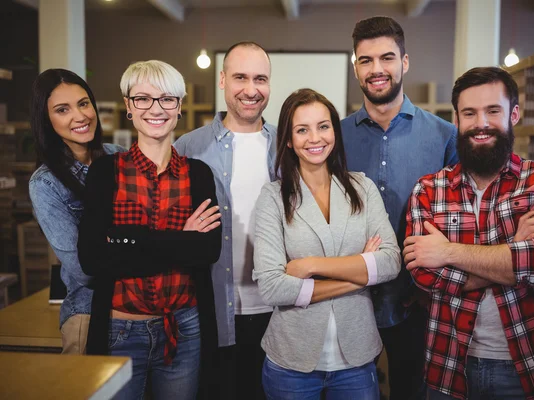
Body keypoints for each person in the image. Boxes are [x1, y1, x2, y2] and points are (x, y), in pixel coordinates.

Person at [403, 66, 534, 400]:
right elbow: (425, 276)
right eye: (470, 113)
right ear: (457, 119)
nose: (481, 123)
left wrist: (449, 252)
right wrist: (515, 249)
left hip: (531, 364)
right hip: (450, 364)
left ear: (514, 114)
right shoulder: (429, 189)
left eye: (492, 111)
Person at [77, 60, 222, 400]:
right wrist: (181, 239)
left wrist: (130, 242)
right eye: (143, 98)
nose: (155, 109)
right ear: (128, 106)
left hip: (184, 328)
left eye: (167, 99)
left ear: (179, 107)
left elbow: (207, 252)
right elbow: (94, 259)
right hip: (119, 331)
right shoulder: (105, 172)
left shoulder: (198, 175)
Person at [253, 88, 401, 399]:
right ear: (289, 140)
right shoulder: (273, 198)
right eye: (302, 130)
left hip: (357, 359)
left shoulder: (363, 187)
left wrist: (310, 266)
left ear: (334, 129)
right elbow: (272, 286)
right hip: (291, 361)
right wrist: (359, 275)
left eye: (323, 126)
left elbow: (390, 262)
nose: (315, 138)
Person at [341, 16, 458, 399]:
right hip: (347, 298)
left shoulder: (445, 137)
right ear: (355, 66)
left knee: (413, 391)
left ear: (404, 63)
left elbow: (460, 217)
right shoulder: (332, 138)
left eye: (387, 58)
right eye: (366, 60)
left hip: (419, 301)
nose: (377, 69)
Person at [174, 41, 275, 399]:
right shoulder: (187, 148)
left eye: (260, 79)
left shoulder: (288, 146)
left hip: (279, 310)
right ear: (222, 80)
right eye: (240, 78)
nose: (251, 90)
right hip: (212, 310)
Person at [29, 68, 123, 355]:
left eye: (83, 103)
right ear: (47, 120)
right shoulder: (45, 183)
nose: (80, 116)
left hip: (143, 306)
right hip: (89, 311)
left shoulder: (119, 155)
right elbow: (85, 270)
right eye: (62, 109)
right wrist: (148, 253)